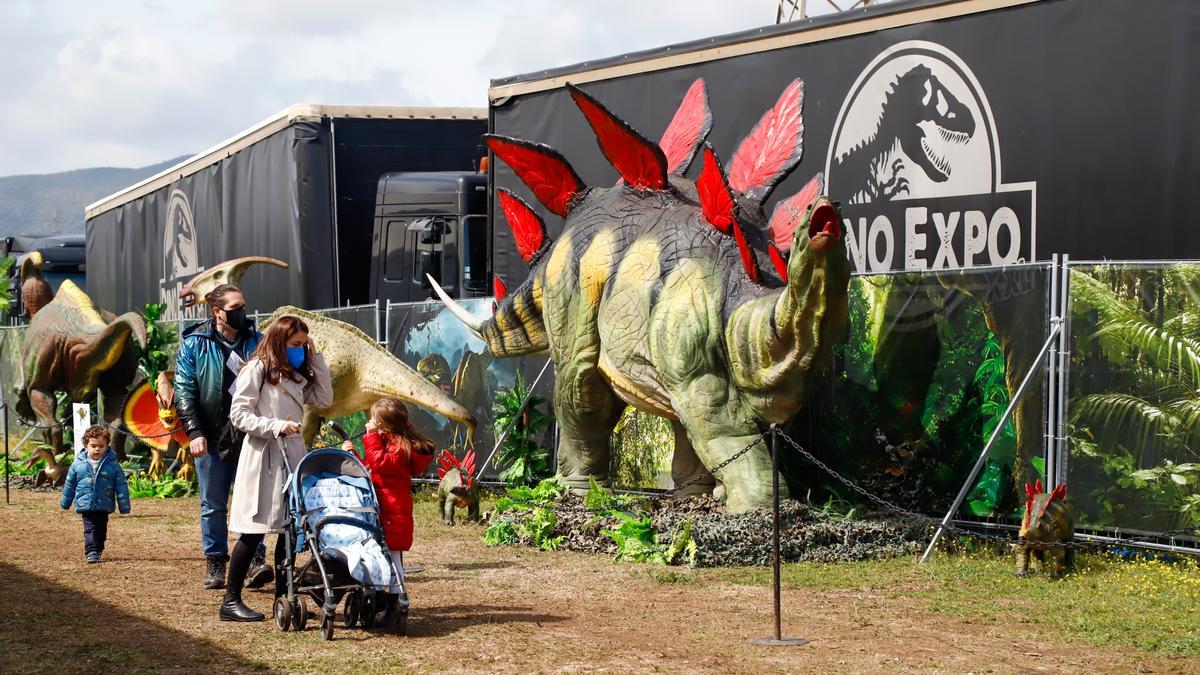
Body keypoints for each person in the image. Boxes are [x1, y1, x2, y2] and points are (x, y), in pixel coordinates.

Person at [222, 315, 333, 621]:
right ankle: (230, 601)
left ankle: (286, 598)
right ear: (279, 341)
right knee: (253, 530)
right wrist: (275, 425)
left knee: (287, 531)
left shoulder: (296, 375)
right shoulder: (256, 369)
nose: (300, 349)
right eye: (295, 344)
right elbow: (239, 415)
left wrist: (315, 356)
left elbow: (324, 398)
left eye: (303, 344)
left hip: (291, 455)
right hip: (264, 455)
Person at [175, 284, 272, 590]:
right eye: (235, 308)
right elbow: (184, 390)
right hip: (213, 435)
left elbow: (272, 384)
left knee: (253, 500)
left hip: (250, 434)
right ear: (217, 312)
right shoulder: (194, 344)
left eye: (243, 306)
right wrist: (194, 432)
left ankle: (255, 558)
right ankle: (216, 560)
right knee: (214, 503)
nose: (242, 312)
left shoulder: (256, 342)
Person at [343, 397, 435, 625]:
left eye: (375, 419)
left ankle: (397, 603)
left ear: (385, 424)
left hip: (393, 509)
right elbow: (373, 468)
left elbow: (381, 463)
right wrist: (354, 453)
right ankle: (388, 600)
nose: (371, 422)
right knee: (387, 554)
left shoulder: (399, 447)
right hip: (387, 506)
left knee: (394, 558)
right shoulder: (393, 442)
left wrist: (371, 436)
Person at [60, 426, 131, 563]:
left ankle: (98, 549)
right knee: (90, 528)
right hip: (85, 504)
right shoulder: (77, 465)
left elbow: (121, 485)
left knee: (101, 530)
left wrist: (124, 506)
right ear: (86, 446)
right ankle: (91, 550)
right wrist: (65, 502)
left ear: (106, 446)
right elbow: (70, 484)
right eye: (93, 446)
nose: (97, 449)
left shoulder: (113, 465)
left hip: (104, 504)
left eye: (101, 446)